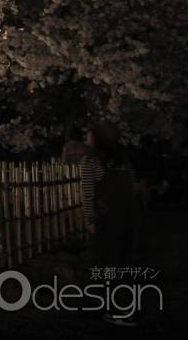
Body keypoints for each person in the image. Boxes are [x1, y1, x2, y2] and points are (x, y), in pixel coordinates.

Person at [80, 120, 141, 326]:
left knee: (106, 264)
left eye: (90, 135)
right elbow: (131, 188)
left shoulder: (91, 161)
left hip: (106, 219)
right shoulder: (122, 160)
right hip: (126, 216)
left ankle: (111, 308)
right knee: (121, 264)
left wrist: (90, 219)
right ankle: (121, 307)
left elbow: (87, 194)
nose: (87, 138)